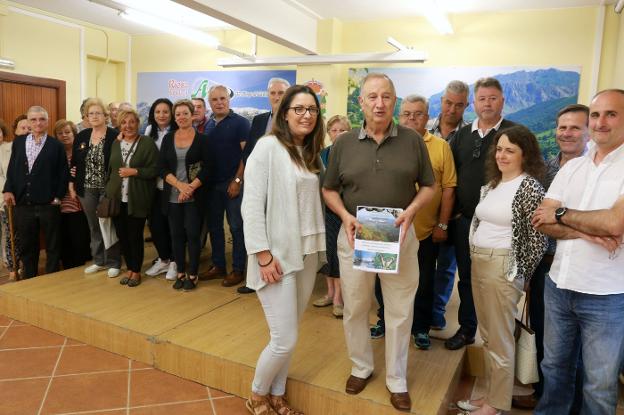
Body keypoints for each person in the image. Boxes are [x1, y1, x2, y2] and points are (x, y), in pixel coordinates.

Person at [323, 73, 435, 411]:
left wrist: (412, 212)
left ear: (394, 101)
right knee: (356, 306)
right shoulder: (343, 144)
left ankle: (397, 379)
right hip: (356, 235)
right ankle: (361, 367)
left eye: (386, 96)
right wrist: (345, 216)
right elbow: (329, 189)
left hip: (398, 237)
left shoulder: (412, 141)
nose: (379, 103)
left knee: (400, 310)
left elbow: (429, 186)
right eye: (372, 97)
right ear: (361, 103)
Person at [531, 89, 624, 415]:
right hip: (559, 284)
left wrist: (561, 215)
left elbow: (615, 223)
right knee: (554, 369)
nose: (601, 122)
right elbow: (541, 220)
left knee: (599, 385)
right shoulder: (574, 168)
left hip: (607, 295)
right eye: (596, 115)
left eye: (611, 114)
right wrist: (588, 232)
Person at [242, 85, 325, 415]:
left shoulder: (308, 152)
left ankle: (277, 395)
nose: (307, 115)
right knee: (284, 338)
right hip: (275, 256)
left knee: (290, 332)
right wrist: (262, 254)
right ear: (285, 113)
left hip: (305, 253)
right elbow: (250, 205)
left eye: (312, 110)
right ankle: (257, 394)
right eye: (299, 109)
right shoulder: (267, 147)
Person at [456, 125, 547, 415]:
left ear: (525, 154)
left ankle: (495, 405)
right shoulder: (494, 184)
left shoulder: (529, 187)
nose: (502, 155)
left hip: (503, 267)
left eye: (510, 150)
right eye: (499, 149)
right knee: (488, 336)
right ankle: (490, 397)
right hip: (480, 262)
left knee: (500, 338)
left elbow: (538, 239)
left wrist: (519, 274)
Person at [512, 104, 589, 410]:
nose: (566, 133)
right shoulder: (544, 170)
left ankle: (577, 405)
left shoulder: (597, 172)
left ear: (588, 132)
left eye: (575, 127)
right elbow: (537, 222)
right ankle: (545, 394)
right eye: (562, 127)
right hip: (546, 265)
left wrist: (570, 225)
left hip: (585, 270)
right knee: (548, 339)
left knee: (580, 349)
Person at [447, 77, 518, 350]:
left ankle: (497, 337)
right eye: (482, 99)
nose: (487, 103)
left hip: (499, 226)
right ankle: (467, 329)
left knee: (496, 283)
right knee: (467, 279)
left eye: (492, 98)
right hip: (465, 221)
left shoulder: (515, 133)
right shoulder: (462, 135)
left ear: (502, 101)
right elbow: (451, 176)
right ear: (473, 103)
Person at [402, 95, 456, 349]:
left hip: (425, 230)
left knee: (424, 281)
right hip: (392, 230)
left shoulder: (440, 146)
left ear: (428, 116)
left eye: (418, 114)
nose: (412, 118)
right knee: (386, 278)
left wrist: (442, 224)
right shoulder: (390, 144)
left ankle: (420, 328)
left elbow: (448, 188)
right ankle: (384, 319)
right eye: (407, 114)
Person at [238, 77, 291, 295]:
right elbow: (249, 152)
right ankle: (254, 279)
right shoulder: (259, 120)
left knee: (277, 231)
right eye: (273, 93)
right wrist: (241, 180)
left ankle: (280, 273)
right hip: (258, 185)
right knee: (256, 229)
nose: (277, 97)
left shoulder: (293, 120)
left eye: (281, 93)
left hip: (282, 187)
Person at [2, 106, 68, 278]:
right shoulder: (19, 142)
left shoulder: (56, 146)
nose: (38, 123)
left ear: (47, 121)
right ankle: (29, 279)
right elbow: (12, 170)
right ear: (29, 121)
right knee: (27, 246)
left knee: (53, 245)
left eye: (42, 119)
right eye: (33, 119)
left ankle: (52, 278)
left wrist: (58, 198)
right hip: (23, 205)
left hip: (49, 204)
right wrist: (8, 189)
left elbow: (63, 174)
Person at [427, 80, 469, 330]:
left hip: (452, 211)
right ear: (441, 101)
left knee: (445, 266)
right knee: (420, 264)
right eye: (448, 103)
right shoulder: (425, 129)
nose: (452, 109)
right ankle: (417, 308)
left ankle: (436, 311)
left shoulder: (469, 134)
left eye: (459, 105)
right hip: (422, 210)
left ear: (466, 105)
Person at [160, 99, 210, 291]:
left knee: (192, 234)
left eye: (185, 113)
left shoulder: (203, 140)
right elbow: (161, 167)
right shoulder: (168, 138)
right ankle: (180, 271)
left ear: (192, 115)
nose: (181, 117)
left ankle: (193, 273)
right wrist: (180, 186)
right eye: (178, 114)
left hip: (194, 197)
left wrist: (189, 188)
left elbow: (208, 169)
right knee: (176, 235)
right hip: (172, 196)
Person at [203, 85, 250, 287]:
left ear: (228, 100)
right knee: (214, 227)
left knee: (236, 227)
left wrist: (238, 181)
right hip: (211, 186)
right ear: (210, 102)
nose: (219, 102)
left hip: (232, 184)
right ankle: (218, 265)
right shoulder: (208, 125)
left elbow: (246, 155)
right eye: (215, 100)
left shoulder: (240, 123)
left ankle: (238, 269)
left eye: (222, 98)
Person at [105, 109, 159, 287]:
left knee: (135, 236)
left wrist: (135, 171)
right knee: (123, 236)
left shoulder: (147, 143)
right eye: (123, 123)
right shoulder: (115, 144)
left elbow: (154, 170)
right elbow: (111, 170)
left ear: (138, 123)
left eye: (131, 122)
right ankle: (129, 268)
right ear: (119, 125)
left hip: (137, 198)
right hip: (117, 199)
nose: (128, 126)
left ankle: (136, 271)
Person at [70, 97, 122, 278]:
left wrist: (113, 188)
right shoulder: (82, 136)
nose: (94, 116)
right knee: (94, 226)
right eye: (90, 113)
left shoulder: (115, 135)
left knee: (108, 225)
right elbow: (75, 164)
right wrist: (71, 184)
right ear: (86, 116)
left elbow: (118, 164)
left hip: (107, 188)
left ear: (105, 116)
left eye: (97, 113)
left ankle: (114, 262)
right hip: (86, 189)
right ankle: (99, 260)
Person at [312, 115, 350, 317]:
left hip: (345, 212)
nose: (337, 134)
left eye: (342, 130)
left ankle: (339, 299)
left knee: (340, 255)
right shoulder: (322, 154)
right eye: (333, 130)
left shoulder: (353, 154)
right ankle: (329, 293)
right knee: (327, 255)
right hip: (324, 211)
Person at [143, 98, 178, 281]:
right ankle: (163, 259)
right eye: (158, 112)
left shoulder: (178, 131)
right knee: (156, 226)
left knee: (173, 226)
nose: (161, 115)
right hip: (154, 187)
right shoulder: (149, 131)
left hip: (172, 186)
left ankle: (175, 261)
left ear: (171, 113)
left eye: (165, 111)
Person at [54, 119, 91, 269]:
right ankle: (67, 266)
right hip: (59, 202)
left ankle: (79, 265)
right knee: (63, 237)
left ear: (74, 133)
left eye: (67, 132)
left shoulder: (82, 151)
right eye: (60, 133)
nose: (64, 135)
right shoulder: (55, 154)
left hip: (79, 202)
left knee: (79, 236)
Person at [0, 119, 21, 279]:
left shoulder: (10, 147)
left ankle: (13, 266)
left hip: (8, 198)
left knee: (10, 234)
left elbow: (12, 174)